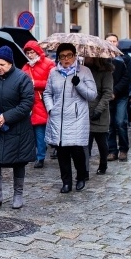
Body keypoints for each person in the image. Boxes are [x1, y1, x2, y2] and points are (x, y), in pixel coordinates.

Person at [0, 46, 35, 209]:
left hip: (18, 128)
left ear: (10, 63)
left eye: (2, 64)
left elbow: (27, 103)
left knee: (19, 161)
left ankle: (18, 195)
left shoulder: (22, 78)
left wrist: (6, 117)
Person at [43, 43, 97, 193]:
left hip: (77, 118)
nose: (66, 59)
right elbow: (47, 93)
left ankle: (81, 177)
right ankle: (66, 182)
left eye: (69, 56)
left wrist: (79, 85)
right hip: (58, 118)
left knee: (77, 150)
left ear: (75, 56)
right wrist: (51, 108)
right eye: (62, 56)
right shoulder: (54, 72)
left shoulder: (84, 71)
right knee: (62, 152)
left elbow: (92, 95)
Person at [20, 40, 55, 169]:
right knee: (33, 133)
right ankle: (37, 154)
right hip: (29, 103)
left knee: (40, 131)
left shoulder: (49, 63)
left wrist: (35, 84)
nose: (30, 55)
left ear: (37, 51)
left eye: (32, 52)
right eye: (28, 53)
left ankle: (40, 157)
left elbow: (53, 82)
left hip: (43, 102)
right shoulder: (26, 67)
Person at [84, 57, 113, 176]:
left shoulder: (106, 72)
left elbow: (107, 93)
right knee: (85, 144)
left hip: (100, 114)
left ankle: (103, 164)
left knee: (102, 143)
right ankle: (84, 170)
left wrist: (98, 110)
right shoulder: (84, 70)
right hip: (85, 112)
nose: (86, 58)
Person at [105, 34, 131, 164]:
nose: (112, 43)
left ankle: (123, 149)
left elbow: (126, 78)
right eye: (109, 41)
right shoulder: (103, 58)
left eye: (114, 41)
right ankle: (112, 150)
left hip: (121, 95)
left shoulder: (125, 58)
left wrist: (115, 91)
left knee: (120, 122)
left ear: (117, 43)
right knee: (109, 125)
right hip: (107, 95)